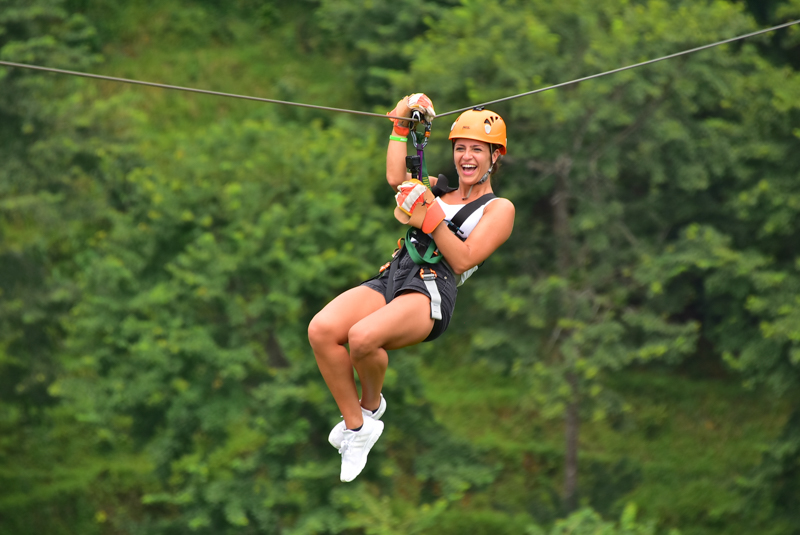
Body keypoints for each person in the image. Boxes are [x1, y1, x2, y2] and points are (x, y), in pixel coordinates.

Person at [307, 93, 515, 482]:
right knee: (322, 330)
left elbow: (465, 258)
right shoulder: (441, 188)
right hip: (396, 272)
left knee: (362, 338)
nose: (466, 157)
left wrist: (432, 217)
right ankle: (359, 427)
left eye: (478, 150)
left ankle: (369, 408)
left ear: (495, 157)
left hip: (434, 287)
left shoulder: (498, 209)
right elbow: (395, 179)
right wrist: (401, 124)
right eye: (461, 148)